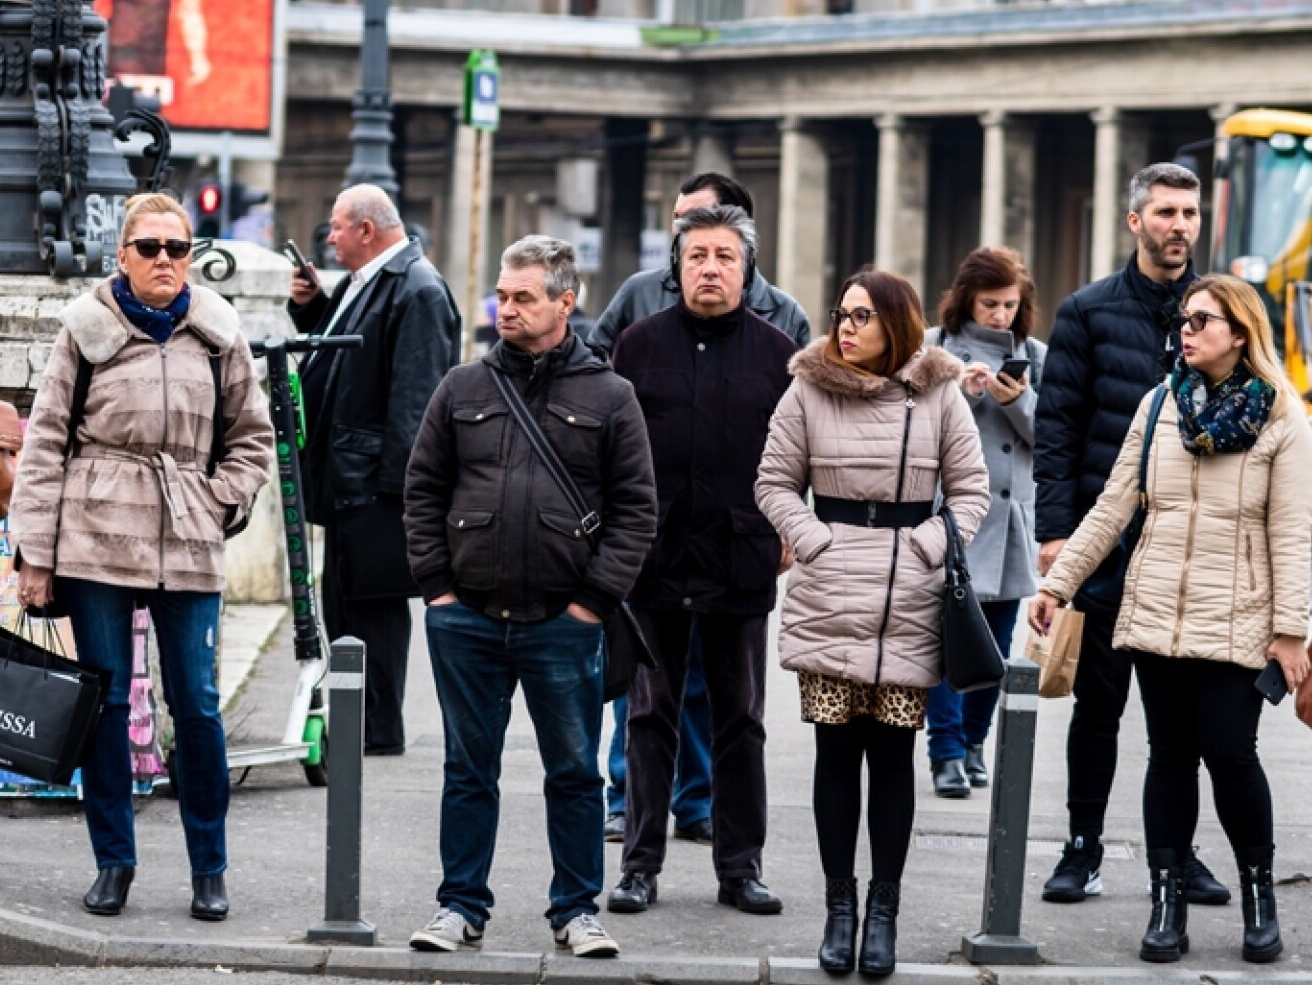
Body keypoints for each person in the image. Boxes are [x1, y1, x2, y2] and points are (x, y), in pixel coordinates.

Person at [1029, 274, 1312, 966]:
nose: (1186, 331)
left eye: (1202, 321)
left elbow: (1291, 533)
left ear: (1240, 333)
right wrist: (1058, 585)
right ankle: (1167, 903)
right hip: (1157, 610)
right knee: (1168, 758)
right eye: (1184, 320)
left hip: (1237, 618)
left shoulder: (1282, 417)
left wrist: (1289, 631)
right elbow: (1113, 505)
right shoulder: (1160, 404)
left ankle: (1259, 897)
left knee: (1231, 755)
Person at [9, 194, 274, 917]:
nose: (164, 260)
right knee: (105, 703)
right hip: (94, 539)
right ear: (122, 255)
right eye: (150, 247)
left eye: (177, 248)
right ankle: (113, 862)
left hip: (189, 539)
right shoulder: (86, 328)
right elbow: (45, 445)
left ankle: (209, 868)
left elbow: (253, 440)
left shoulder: (218, 332)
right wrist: (36, 555)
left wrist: (220, 501)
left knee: (197, 705)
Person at [403, 236, 656, 959]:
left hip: (564, 621)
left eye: (522, 297)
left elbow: (637, 511)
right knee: (467, 770)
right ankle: (459, 906)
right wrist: (438, 590)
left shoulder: (611, 396)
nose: (505, 310)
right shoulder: (462, 388)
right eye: (501, 295)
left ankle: (576, 911)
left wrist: (592, 603)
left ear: (565, 302)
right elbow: (422, 492)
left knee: (574, 773)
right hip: (468, 617)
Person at [756, 271, 989, 978]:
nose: (845, 327)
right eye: (841, 314)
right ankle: (840, 908)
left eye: (861, 315)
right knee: (834, 754)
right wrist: (815, 541)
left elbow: (971, 491)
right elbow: (773, 481)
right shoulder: (808, 387)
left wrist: (929, 545)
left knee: (892, 757)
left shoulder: (939, 391)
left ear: (897, 322)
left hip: (908, 595)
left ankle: (883, 910)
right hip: (830, 591)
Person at [1032, 162, 1230, 906]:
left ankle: (1177, 855)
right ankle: (1081, 848)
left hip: (1188, 547)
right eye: (1167, 212)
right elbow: (1057, 428)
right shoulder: (1086, 312)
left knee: (1181, 721)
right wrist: (1057, 533)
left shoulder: (1223, 313)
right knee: (1098, 707)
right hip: (1106, 545)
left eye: (1190, 213)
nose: (1180, 225)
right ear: (1135, 221)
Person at [605, 205, 800, 917]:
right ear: (677, 267)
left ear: (746, 270)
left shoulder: (778, 353)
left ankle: (740, 868)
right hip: (653, 557)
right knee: (649, 714)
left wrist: (788, 524)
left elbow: (798, 456)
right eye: (697, 256)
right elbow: (610, 450)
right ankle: (639, 865)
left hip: (739, 555)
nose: (710, 268)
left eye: (724, 256)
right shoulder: (638, 345)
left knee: (740, 720)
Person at [289, 184, 459, 757]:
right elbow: (343, 351)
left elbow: (417, 398)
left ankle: (378, 728)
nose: (330, 237)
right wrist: (313, 306)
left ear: (367, 229)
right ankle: (357, 720)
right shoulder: (370, 280)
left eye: (338, 226)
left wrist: (398, 492)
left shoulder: (418, 288)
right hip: (350, 476)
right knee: (345, 602)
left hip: (374, 485)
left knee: (374, 605)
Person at [922, 247, 1045, 799]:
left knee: (995, 643)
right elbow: (913, 427)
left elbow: (1051, 439)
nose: (999, 315)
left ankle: (974, 742)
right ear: (967, 299)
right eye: (989, 304)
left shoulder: (1035, 355)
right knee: (947, 638)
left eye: (1009, 305)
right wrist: (963, 395)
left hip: (1011, 520)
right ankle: (945, 751)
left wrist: (1018, 401)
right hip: (952, 517)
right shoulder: (935, 347)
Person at [587, 172, 812, 353]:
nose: (680, 229)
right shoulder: (640, 292)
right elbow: (595, 361)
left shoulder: (785, 313)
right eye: (677, 218)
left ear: (735, 223)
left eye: (694, 217)